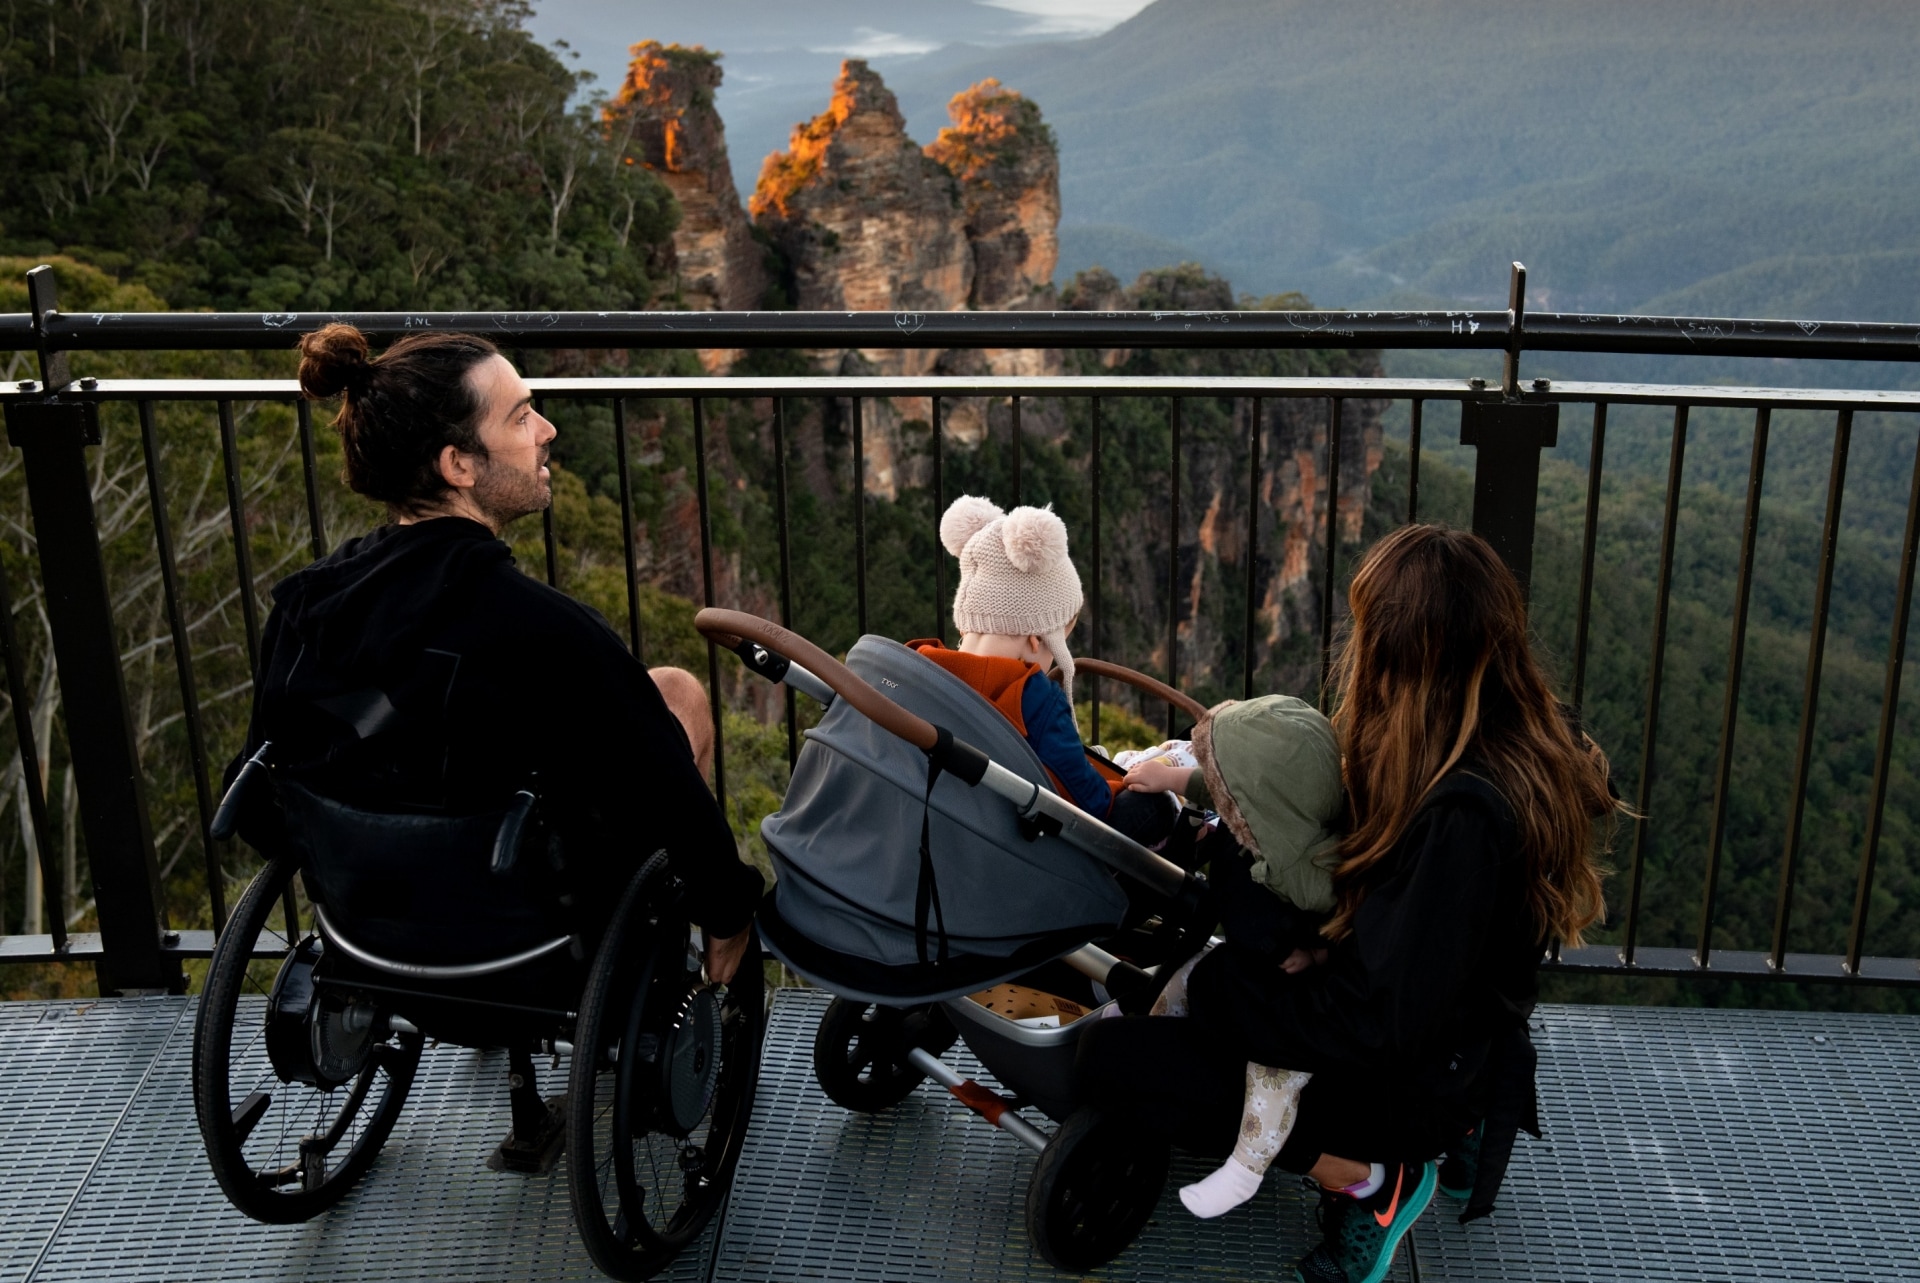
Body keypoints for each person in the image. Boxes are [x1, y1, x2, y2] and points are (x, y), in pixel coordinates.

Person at [1075, 525, 1616, 1283]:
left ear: (1399, 652)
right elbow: (1327, 815)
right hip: (1436, 1017)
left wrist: (1224, 991)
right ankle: (1449, 1120)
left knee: (1113, 1059)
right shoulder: (1476, 734)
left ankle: (1371, 1178)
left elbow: (1378, 1022)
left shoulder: (1465, 817)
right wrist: (1204, 785)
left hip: (1411, 1061)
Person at [225, 324, 763, 982]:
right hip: (529, 951)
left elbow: (257, 803)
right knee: (676, 693)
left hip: (367, 940)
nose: (547, 430)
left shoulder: (306, 606)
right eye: (521, 416)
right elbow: (671, 797)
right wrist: (731, 910)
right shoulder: (545, 630)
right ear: (459, 465)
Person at [1120, 694, 1343, 1219]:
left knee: (1274, 1073)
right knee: (1179, 985)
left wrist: (1317, 953)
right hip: (1245, 961)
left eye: (1235, 801)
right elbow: (1224, 789)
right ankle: (1147, 1040)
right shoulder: (1265, 814)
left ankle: (1246, 1166)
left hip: (1293, 995)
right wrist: (1171, 779)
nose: (1230, 810)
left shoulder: (1326, 866)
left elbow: (1359, 920)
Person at [909, 495, 1115, 821]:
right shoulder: (1034, 700)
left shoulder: (917, 667)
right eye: (1058, 644)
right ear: (1036, 639)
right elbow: (1092, 802)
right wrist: (1123, 787)